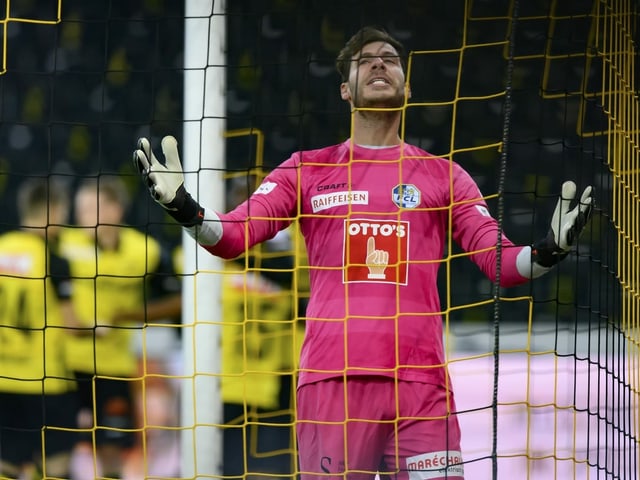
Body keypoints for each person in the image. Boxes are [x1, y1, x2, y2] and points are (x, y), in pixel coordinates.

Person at [132, 26, 594, 480]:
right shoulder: (306, 170)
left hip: (421, 386)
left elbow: (499, 262)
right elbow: (233, 236)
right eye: (365, 59)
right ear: (345, 90)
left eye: (390, 59)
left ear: (407, 86)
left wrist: (547, 251)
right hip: (334, 383)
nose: (378, 62)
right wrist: (185, 208)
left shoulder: (444, 176)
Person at [58, 175, 181, 479]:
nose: (81, 215)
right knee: (59, 449)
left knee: (113, 450)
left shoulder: (146, 251)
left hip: (113, 367)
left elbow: (179, 300)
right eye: (80, 208)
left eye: (90, 207)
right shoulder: (63, 244)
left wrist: (126, 315)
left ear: (115, 210)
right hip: (62, 367)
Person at [0, 177, 78, 479]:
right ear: (53, 211)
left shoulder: (1, 248)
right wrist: (102, 325)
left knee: (6, 462)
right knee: (55, 465)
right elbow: (73, 326)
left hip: (4, 379)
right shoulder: (54, 259)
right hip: (45, 382)